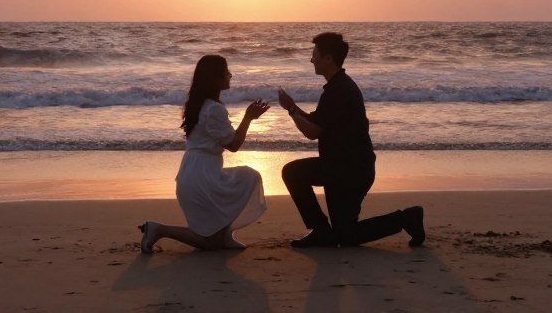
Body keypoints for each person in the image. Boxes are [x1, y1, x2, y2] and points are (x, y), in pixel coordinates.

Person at [277, 32, 425, 248]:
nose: (312, 60)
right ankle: (404, 219)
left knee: (292, 172)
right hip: (341, 167)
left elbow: (313, 132)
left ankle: (321, 230)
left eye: (315, 55)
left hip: (350, 170)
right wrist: (293, 107)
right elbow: (316, 121)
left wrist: (291, 110)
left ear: (328, 59)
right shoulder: (337, 87)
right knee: (345, 235)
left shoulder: (339, 89)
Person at [139, 54, 270, 252]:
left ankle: (224, 236)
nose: (230, 76)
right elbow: (233, 145)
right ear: (215, 78)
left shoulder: (197, 104)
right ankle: (159, 229)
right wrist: (248, 118)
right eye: (226, 73)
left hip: (192, 172)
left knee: (246, 177)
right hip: (203, 178)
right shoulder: (214, 109)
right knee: (210, 242)